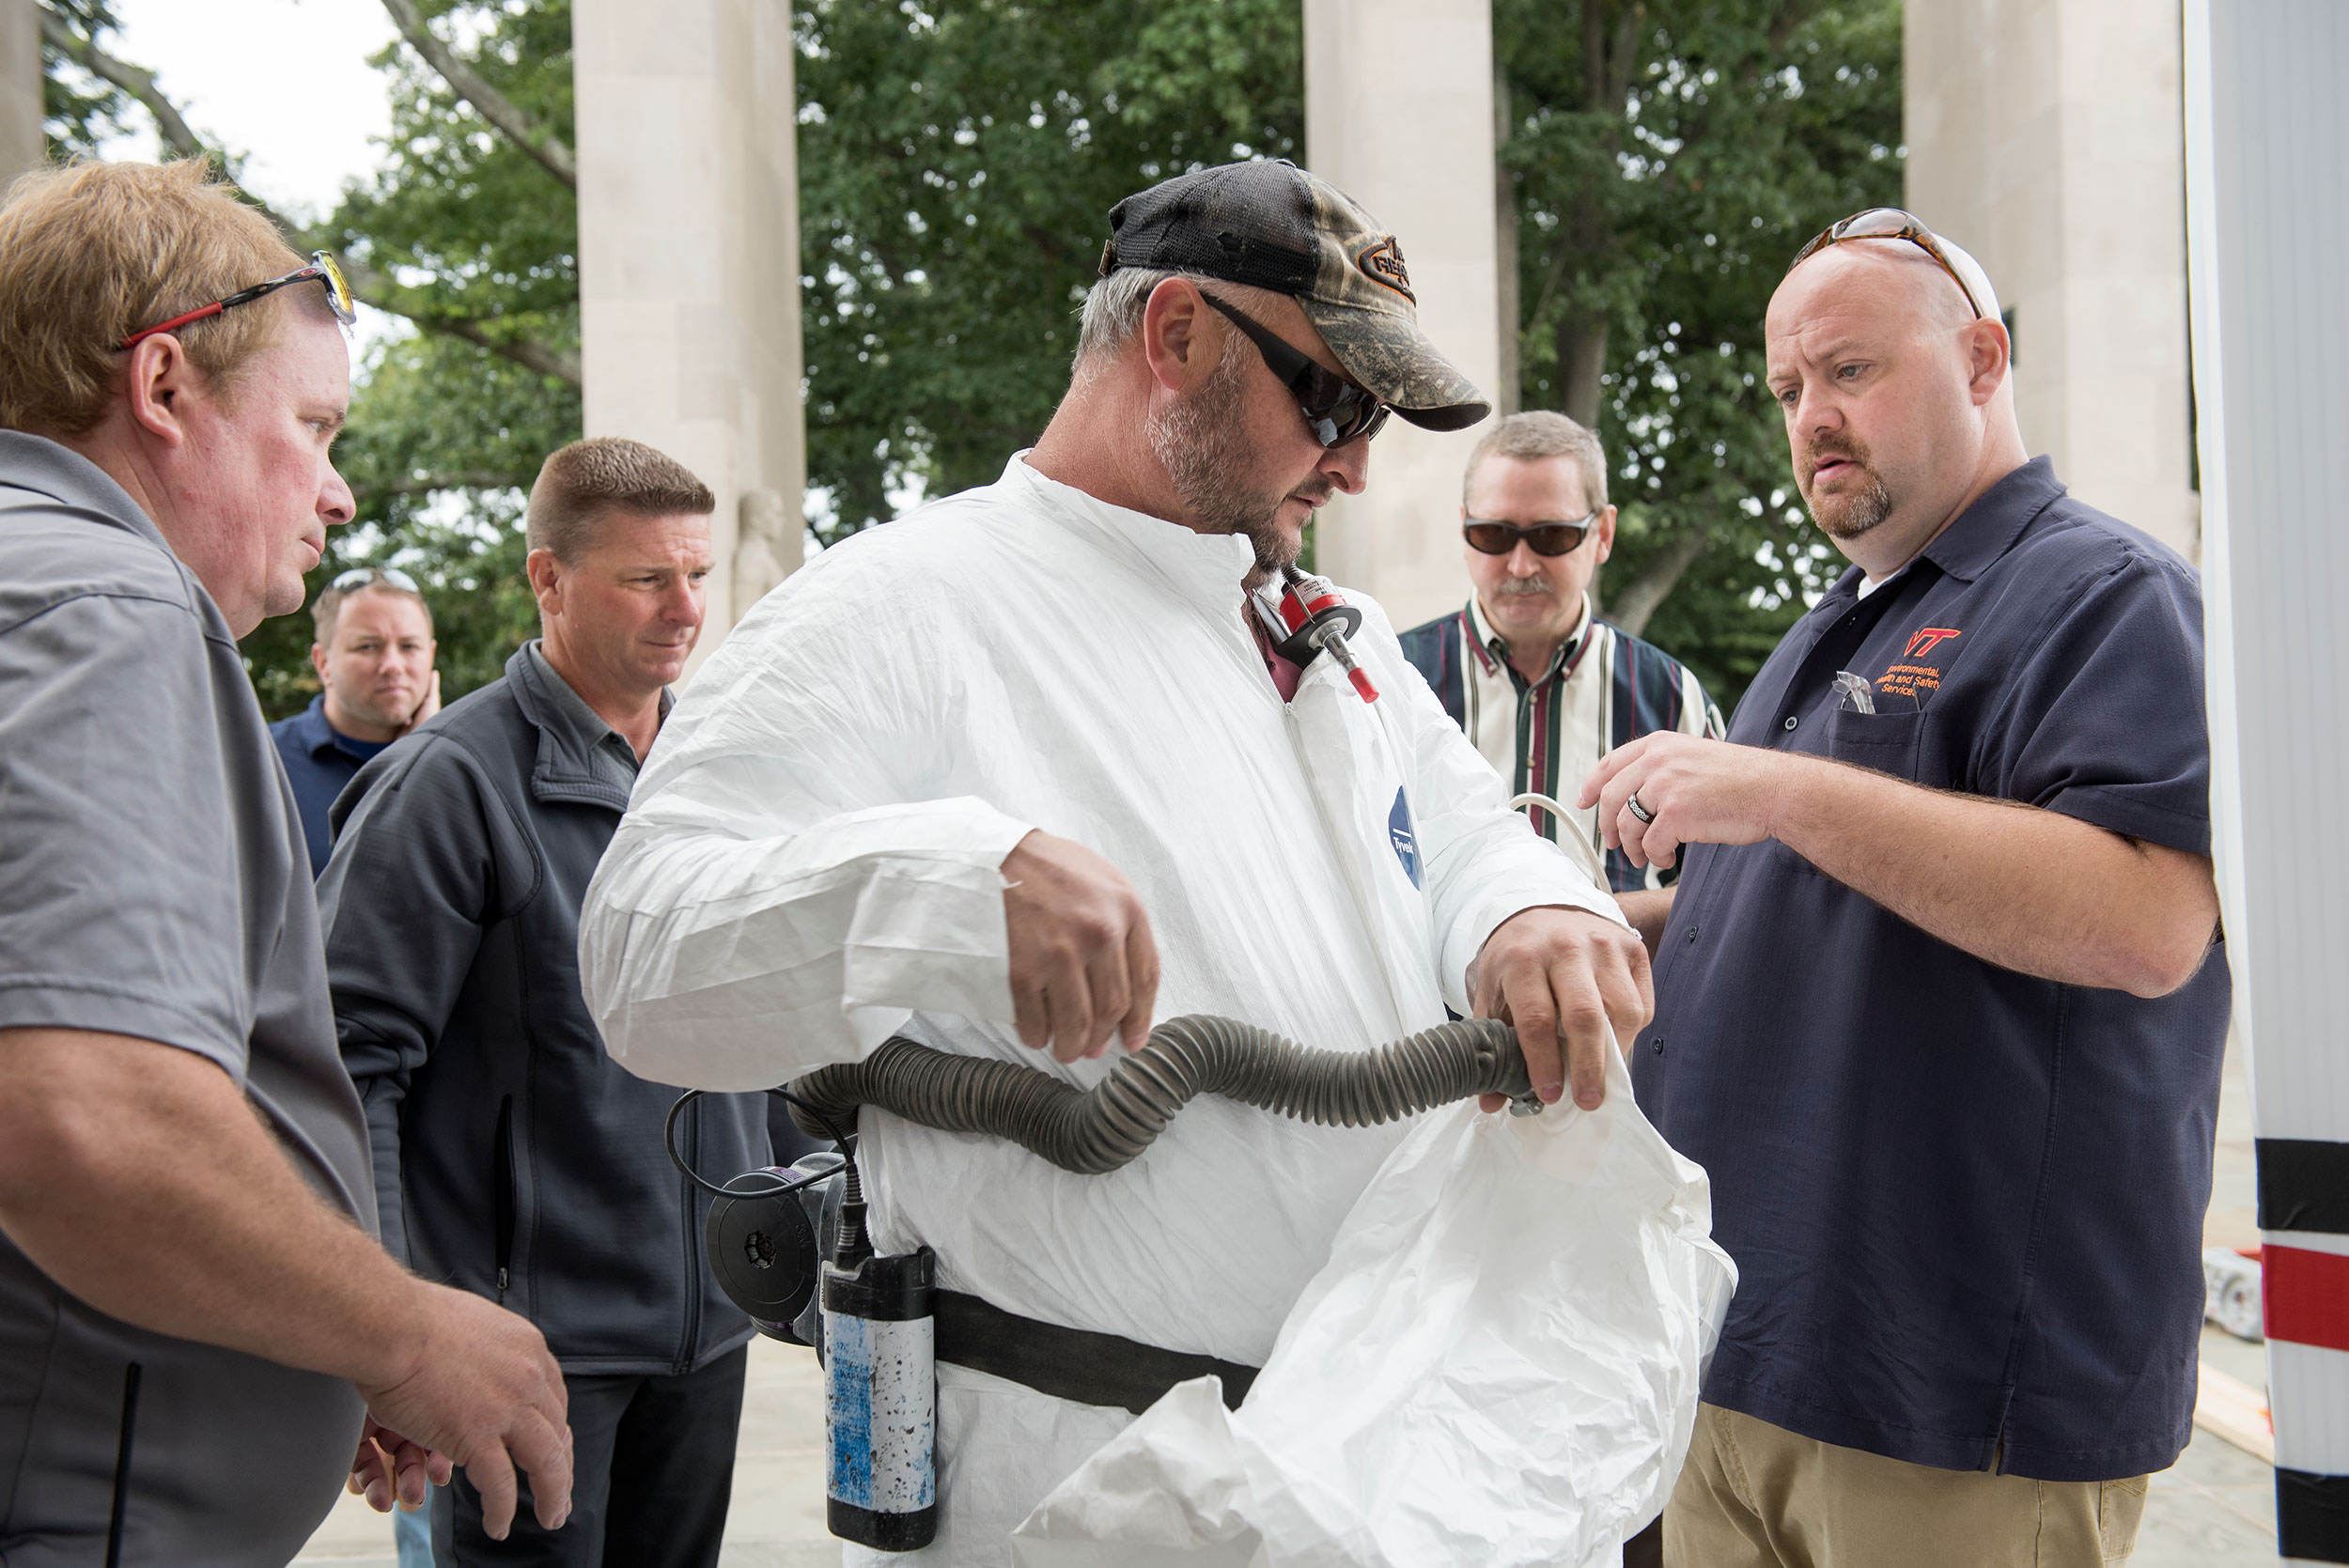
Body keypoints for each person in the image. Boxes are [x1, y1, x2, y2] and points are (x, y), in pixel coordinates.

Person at [578, 158, 1652, 1565]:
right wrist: (954, 883)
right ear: (1177, 338)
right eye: (1334, 401)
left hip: (1376, 1466)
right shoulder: (904, 605)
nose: (1356, 464)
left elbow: (1458, 830)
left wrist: (1532, 908)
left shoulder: (1339, 632)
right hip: (1078, 1494)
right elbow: (641, 953)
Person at [1579, 210, 2226, 1565]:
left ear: (1984, 359)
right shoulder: (1842, 619)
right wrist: (1583, 930)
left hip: (1951, 1401)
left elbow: (2149, 920)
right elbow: (1799, 916)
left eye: (1850, 370)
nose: (1812, 415)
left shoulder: (2108, 594)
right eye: (1789, 389)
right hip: (1740, 1358)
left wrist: (1776, 790)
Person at [0, 159, 570, 1566]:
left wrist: (305, 1335)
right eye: (314, 426)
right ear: (165, 387)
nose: (338, 490)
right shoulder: (109, 602)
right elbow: (85, 1119)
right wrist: (404, 1329)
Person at [319, 436, 771, 1567]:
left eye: (697, 576)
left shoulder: (717, 773)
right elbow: (345, 1062)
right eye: (645, 578)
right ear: (548, 578)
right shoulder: (450, 784)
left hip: (709, 1337)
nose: (684, 610)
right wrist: (392, 1331)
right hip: (519, 1355)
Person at [1399, 411, 1722, 946]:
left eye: (1550, 536)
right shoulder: (1394, 679)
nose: (1521, 565)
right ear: (1464, 530)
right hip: (1428, 1029)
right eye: (1493, 534)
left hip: (1614, 1026)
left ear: (1603, 534)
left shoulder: (1672, 699)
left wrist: (1590, 920)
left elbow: (1730, 889)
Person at [272, 566, 442, 875]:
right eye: (368, 646)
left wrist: (426, 750)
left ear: (430, 656)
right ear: (323, 663)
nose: (392, 665)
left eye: (409, 646)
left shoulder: (465, 766)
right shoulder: (264, 760)